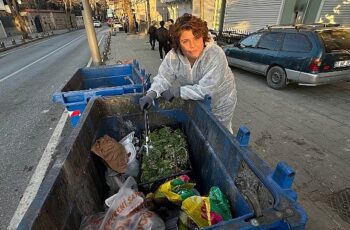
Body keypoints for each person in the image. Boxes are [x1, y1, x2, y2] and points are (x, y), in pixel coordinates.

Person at [139, 13, 237, 133]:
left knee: (220, 134)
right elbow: (163, 77)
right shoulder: (174, 56)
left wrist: (177, 91)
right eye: (185, 41)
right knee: (200, 129)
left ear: (203, 36)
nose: (193, 46)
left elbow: (207, 90)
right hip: (195, 100)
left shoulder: (214, 54)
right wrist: (152, 93)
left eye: (196, 38)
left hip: (220, 102)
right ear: (178, 43)